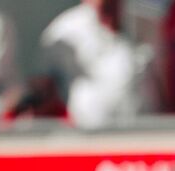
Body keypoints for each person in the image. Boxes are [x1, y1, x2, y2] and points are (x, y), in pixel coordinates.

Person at [39, 0, 155, 128]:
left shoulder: (147, 25)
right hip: (87, 134)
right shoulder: (63, 32)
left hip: (144, 134)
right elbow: (44, 92)